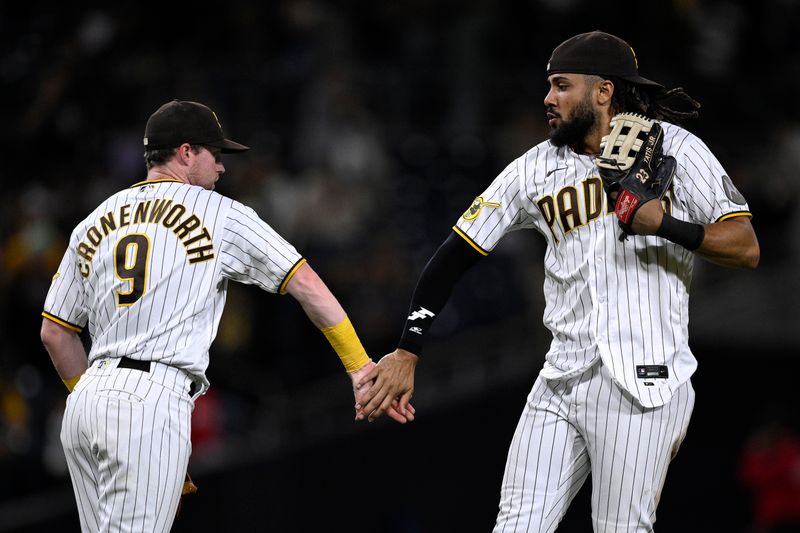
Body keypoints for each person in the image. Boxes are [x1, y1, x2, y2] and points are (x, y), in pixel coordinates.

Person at [355, 31, 760, 531]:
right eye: (550, 86)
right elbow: (454, 255)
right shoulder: (537, 167)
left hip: (645, 382)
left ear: (603, 91)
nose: (548, 98)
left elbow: (746, 245)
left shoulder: (674, 148)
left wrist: (666, 224)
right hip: (561, 381)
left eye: (562, 85)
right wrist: (407, 348)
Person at [40, 99, 412, 533]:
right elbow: (306, 282)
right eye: (214, 155)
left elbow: (55, 333)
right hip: (152, 396)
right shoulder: (217, 212)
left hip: (85, 400)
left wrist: (98, 403)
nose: (221, 168)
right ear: (185, 153)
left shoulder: (92, 222)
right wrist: (358, 364)